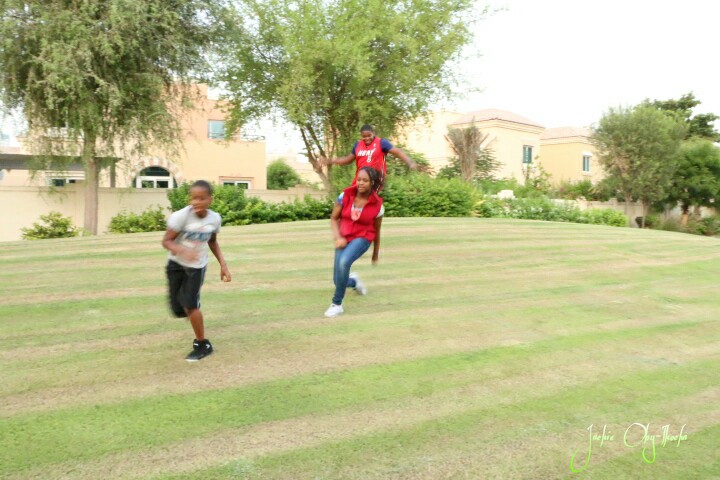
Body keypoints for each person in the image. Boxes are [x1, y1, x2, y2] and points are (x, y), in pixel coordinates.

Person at [162, 180, 231, 361]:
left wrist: (223, 265)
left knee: (191, 304)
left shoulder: (214, 219)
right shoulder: (180, 217)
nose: (196, 202)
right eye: (194, 198)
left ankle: (202, 344)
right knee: (177, 310)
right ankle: (191, 307)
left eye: (201, 198)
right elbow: (166, 241)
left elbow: (212, 241)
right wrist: (183, 251)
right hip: (176, 264)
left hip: (196, 267)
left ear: (210, 199)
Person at [325, 166, 384, 317]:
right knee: (338, 280)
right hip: (343, 237)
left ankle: (337, 304)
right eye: (359, 179)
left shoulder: (378, 205)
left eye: (365, 180)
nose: (361, 183)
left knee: (344, 262)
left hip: (363, 237)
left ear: (372, 183)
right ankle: (355, 282)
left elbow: (377, 231)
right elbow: (334, 218)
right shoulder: (344, 195)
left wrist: (375, 253)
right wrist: (338, 237)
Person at [322, 124, 418, 191]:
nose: (367, 138)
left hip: (374, 180)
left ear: (373, 133)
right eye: (364, 136)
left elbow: (398, 152)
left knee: (364, 201)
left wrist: (410, 163)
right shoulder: (358, 145)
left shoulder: (381, 143)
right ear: (361, 136)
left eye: (369, 135)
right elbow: (347, 159)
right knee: (345, 198)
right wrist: (330, 161)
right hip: (360, 180)